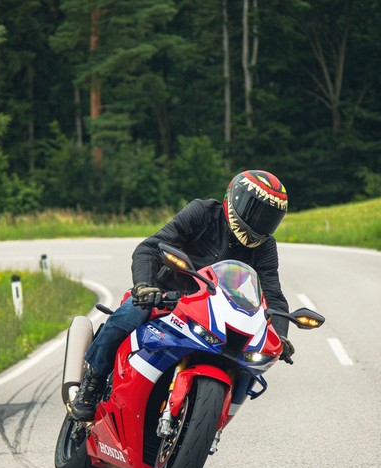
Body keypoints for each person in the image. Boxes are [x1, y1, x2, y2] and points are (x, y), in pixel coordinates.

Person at [68, 169, 295, 421]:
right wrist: (145, 286)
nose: (259, 222)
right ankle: (93, 380)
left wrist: (280, 336)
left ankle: (210, 419)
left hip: (216, 313)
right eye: (255, 210)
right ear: (235, 199)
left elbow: (273, 294)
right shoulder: (203, 212)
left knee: (244, 359)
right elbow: (150, 248)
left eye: (269, 217)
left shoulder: (265, 246)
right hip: (167, 296)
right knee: (131, 312)